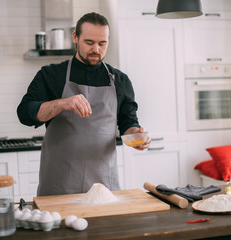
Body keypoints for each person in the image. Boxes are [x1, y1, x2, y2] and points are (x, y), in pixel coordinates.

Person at [17, 12, 151, 196]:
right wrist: (62, 103)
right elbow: (24, 113)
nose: (96, 49)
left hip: (103, 184)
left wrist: (136, 134)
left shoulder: (120, 81)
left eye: (102, 43)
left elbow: (128, 123)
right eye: (89, 42)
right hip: (59, 183)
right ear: (75, 37)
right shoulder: (51, 75)